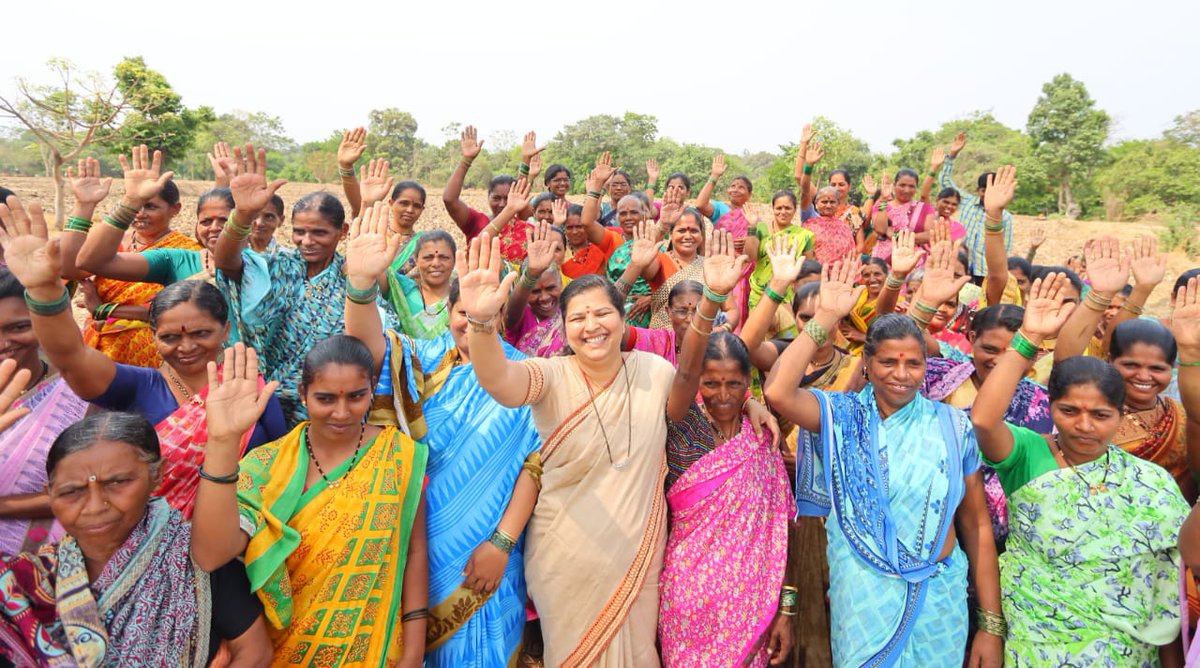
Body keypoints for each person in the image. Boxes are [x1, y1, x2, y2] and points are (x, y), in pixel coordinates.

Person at [763, 254, 1002, 666]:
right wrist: (826, 319)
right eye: (888, 362)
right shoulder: (841, 416)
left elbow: (976, 523)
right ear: (868, 365)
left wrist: (990, 624)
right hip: (863, 599)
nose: (902, 374)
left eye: (914, 363)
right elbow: (780, 392)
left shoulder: (951, 426)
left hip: (938, 601)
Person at [459, 227, 676, 665]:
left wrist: (749, 402)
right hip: (567, 557)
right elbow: (500, 382)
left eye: (602, 314)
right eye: (577, 318)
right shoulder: (550, 376)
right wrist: (482, 323)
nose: (591, 327)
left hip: (638, 556)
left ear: (622, 318)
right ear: (564, 326)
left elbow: (703, 389)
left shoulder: (655, 371)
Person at [0, 195, 286, 519]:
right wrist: (44, 293)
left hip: (240, 539)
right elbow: (70, 356)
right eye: (170, 337)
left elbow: (279, 468)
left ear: (226, 331)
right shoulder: (138, 387)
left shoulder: (251, 390)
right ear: (152, 336)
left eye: (200, 334)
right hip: (150, 548)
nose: (186, 346)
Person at [344, 201, 542, 666]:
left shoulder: (529, 375)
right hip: (421, 540)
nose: (471, 321)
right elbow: (367, 349)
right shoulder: (420, 359)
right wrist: (360, 287)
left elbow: (534, 464)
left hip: (494, 547)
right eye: (462, 311)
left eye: (485, 311)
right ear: (449, 312)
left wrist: (502, 543)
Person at [970, 272, 1190, 665]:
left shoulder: (1150, 483)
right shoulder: (1028, 453)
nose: (1084, 425)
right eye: (1069, 411)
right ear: (1050, 407)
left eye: (1100, 415)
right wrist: (1028, 339)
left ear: (1119, 414)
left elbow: (1163, 590)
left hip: (1126, 651)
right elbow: (985, 420)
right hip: (1038, 640)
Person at [193, 340, 429, 667]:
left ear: (372, 389)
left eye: (356, 397)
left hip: (374, 650)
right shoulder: (267, 466)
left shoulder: (399, 455)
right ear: (303, 393)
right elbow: (210, 554)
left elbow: (414, 550)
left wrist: (414, 651)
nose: (342, 412)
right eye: (326, 398)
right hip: (287, 652)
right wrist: (222, 440)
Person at [0, 402, 272, 667]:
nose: (95, 507)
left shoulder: (198, 557)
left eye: (117, 483)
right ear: (50, 494)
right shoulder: (30, 580)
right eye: (72, 491)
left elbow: (253, 652)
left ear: (157, 474)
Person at [656, 238, 792, 667]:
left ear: (748, 382)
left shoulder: (761, 440)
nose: (722, 394)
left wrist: (786, 607)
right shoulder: (681, 424)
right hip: (687, 599)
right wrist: (713, 298)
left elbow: (779, 531)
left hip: (754, 605)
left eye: (735, 384)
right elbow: (686, 370)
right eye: (711, 383)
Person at [211, 145, 347, 425]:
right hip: (264, 398)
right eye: (300, 232)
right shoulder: (276, 266)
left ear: (342, 232)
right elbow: (226, 262)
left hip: (325, 403)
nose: (307, 241)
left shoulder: (351, 278)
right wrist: (243, 215)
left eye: (319, 232)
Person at [68, 146, 203, 368]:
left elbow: (178, 311)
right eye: (135, 206)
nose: (140, 214)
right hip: (98, 350)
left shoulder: (187, 253)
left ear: (175, 209)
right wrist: (83, 206)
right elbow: (70, 269)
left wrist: (102, 309)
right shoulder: (110, 243)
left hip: (151, 356)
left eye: (150, 206)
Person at [0, 269, 89, 554]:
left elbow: (89, 486)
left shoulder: (76, 395)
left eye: (17, 327)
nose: (3, 343)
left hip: (41, 566)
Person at [442, 125, 530, 263]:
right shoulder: (477, 221)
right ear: (488, 197)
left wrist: (526, 161)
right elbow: (449, 200)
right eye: (496, 198)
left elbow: (521, 189)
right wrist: (466, 160)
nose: (502, 204)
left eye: (507, 199)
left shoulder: (524, 226)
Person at [937, 132, 1014, 279]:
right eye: (984, 190)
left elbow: (1006, 249)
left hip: (985, 272)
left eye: (992, 190)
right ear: (978, 190)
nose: (987, 195)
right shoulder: (967, 202)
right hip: (960, 267)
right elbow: (946, 181)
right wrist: (952, 155)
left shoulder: (1006, 217)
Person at [869, 169, 934, 264]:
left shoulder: (924, 208)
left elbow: (929, 235)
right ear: (894, 186)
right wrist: (883, 199)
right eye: (902, 185)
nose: (906, 190)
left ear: (916, 189)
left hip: (914, 261)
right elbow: (880, 229)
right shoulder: (881, 206)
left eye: (911, 186)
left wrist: (896, 235)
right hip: (884, 262)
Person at [801, 186, 855, 266]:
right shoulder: (809, 225)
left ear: (838, 204)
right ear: (816, 204)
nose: (828, 206)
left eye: (832, 202)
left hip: (841, 273)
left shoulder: (844, 227)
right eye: (824, 202)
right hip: (816, 273)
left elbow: (852, 253)